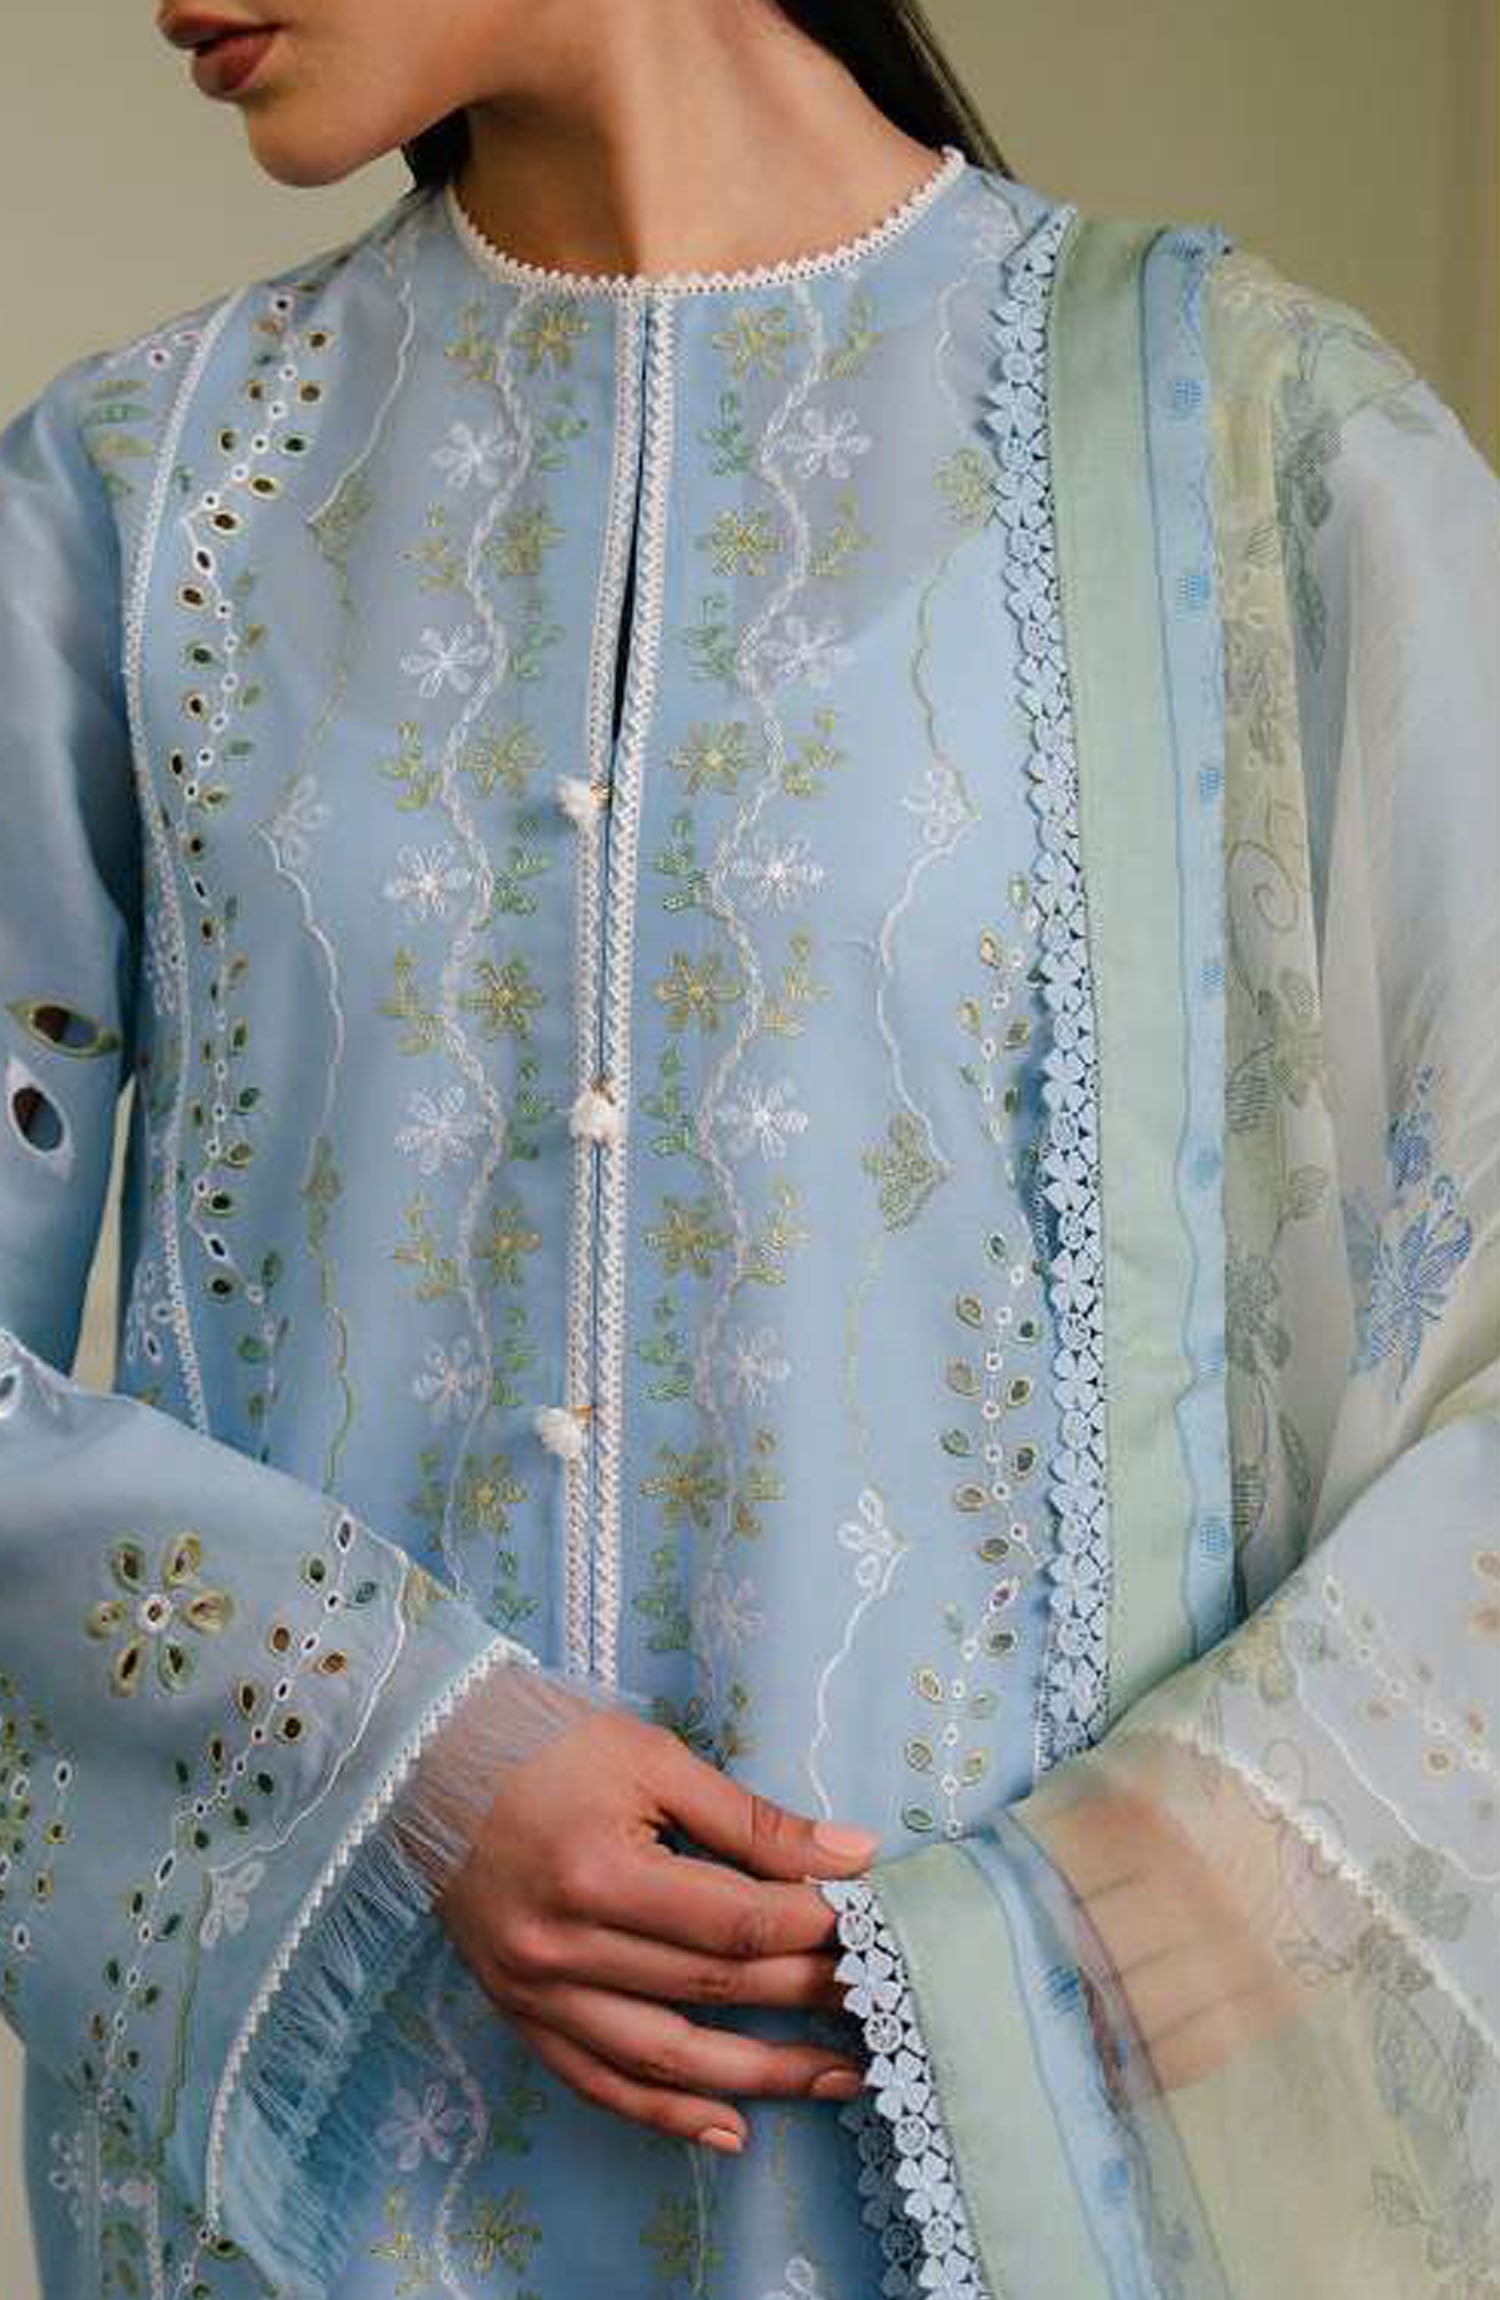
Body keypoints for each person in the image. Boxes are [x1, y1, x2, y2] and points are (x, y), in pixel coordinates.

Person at [0, 1, 1494, 2293]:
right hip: (327, 2221)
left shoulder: (1255, 435)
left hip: (1025, 2208)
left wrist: (1258, 1838)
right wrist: (382, 1745)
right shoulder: (141, 497)